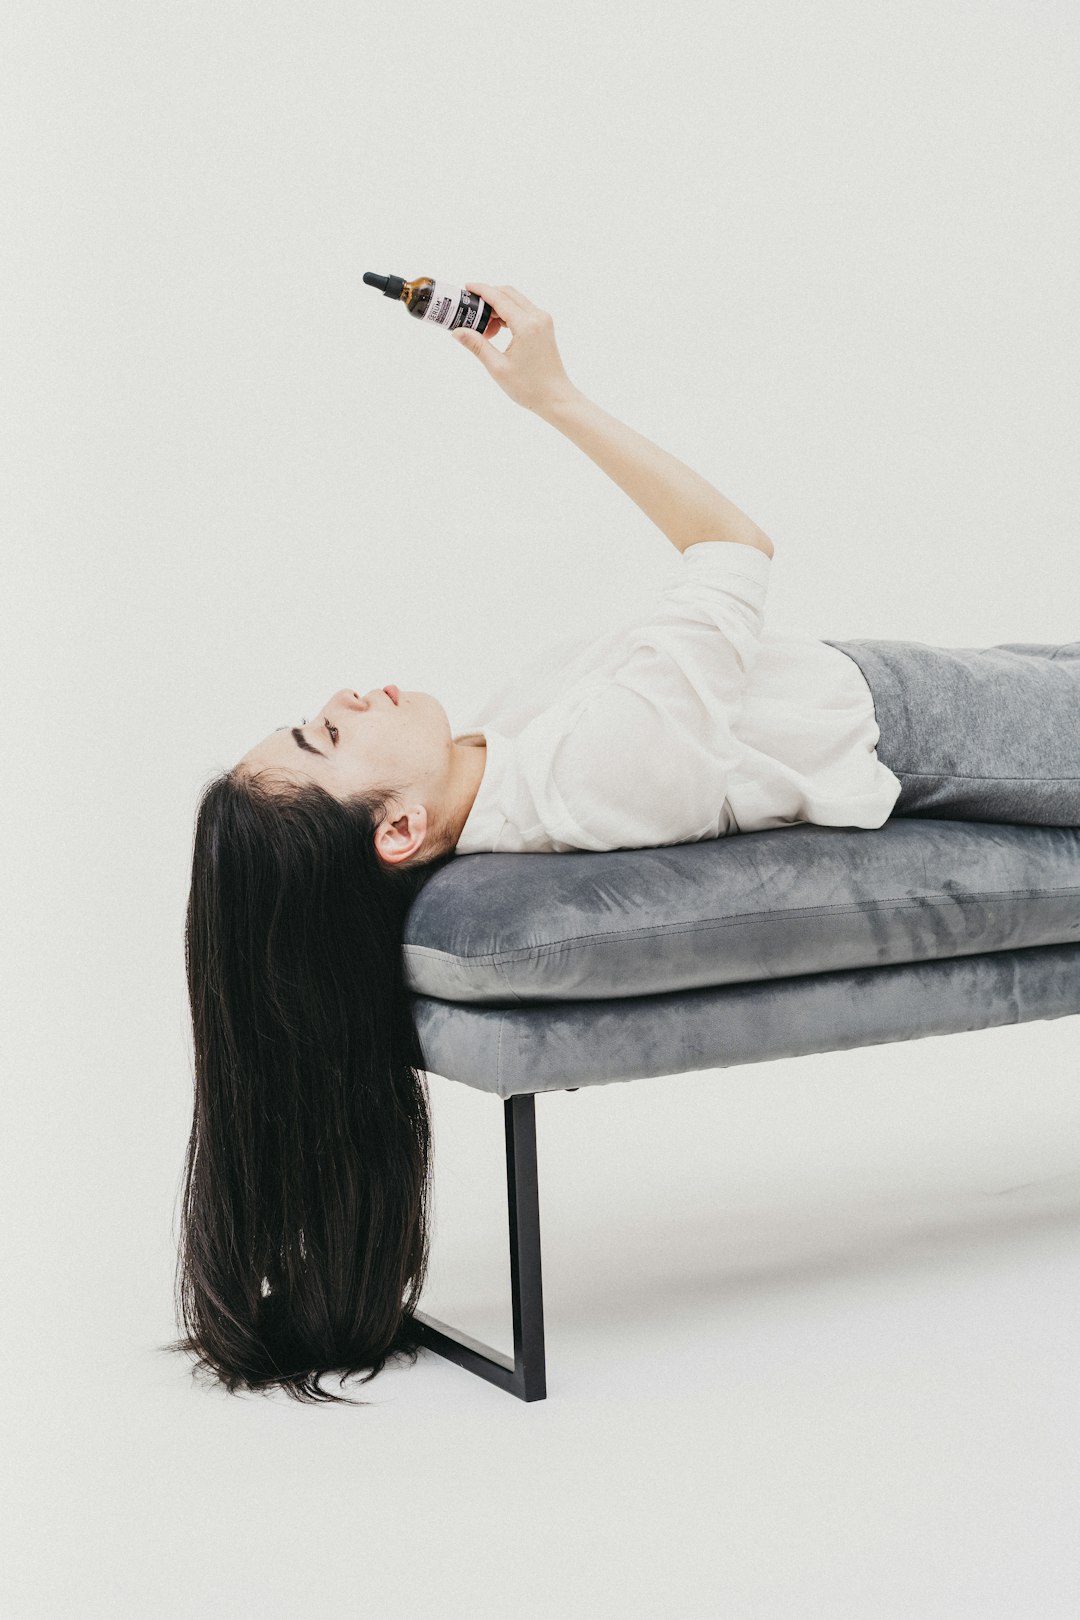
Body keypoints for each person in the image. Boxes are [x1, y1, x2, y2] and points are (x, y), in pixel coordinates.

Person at [170, 283, 1080, 1405]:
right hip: (950, 728)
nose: (348, 698)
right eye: (327, 734)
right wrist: (552, 394)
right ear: (398, 829)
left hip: (917, 689)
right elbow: (732, 547)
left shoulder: (499, 758)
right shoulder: (584, 773)